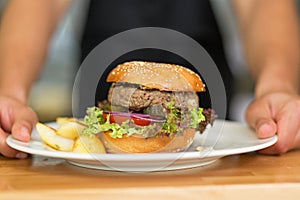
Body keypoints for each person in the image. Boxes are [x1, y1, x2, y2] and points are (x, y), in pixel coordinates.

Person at [0, 0, 299, 158]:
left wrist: (276, 86)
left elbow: (263, 3)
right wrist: (10, 92)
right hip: (101, 104)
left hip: (206, 142)